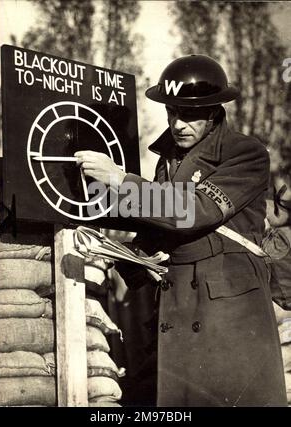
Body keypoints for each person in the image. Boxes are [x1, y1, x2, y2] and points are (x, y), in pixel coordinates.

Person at [75, 54, 288, 406]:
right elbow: (160, 221)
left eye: (189, 114)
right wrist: (124, 250)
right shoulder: (170, 159)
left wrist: (121, 181)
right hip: (179, 306)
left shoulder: (246, 154)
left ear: (213, 112)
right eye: (172, 112)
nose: (177, 123)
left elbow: (196, 210)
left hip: (227, 317)